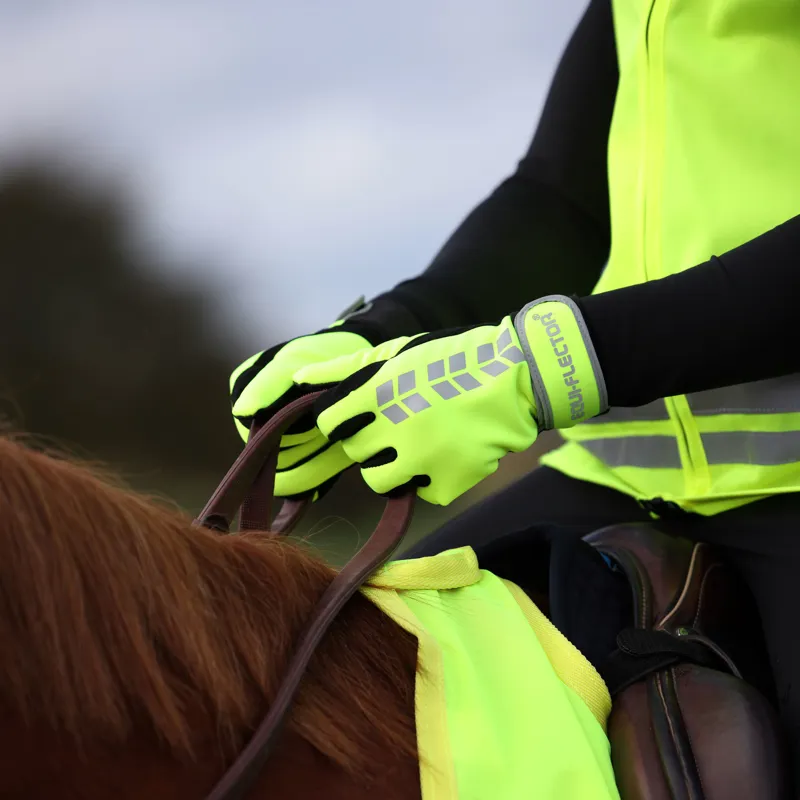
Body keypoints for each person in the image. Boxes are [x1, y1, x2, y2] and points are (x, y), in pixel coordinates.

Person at [229, 0, 800, 783]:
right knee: (332, 691)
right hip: (620, 476)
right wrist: (385, 332)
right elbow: (558, 199)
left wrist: (542, 366)